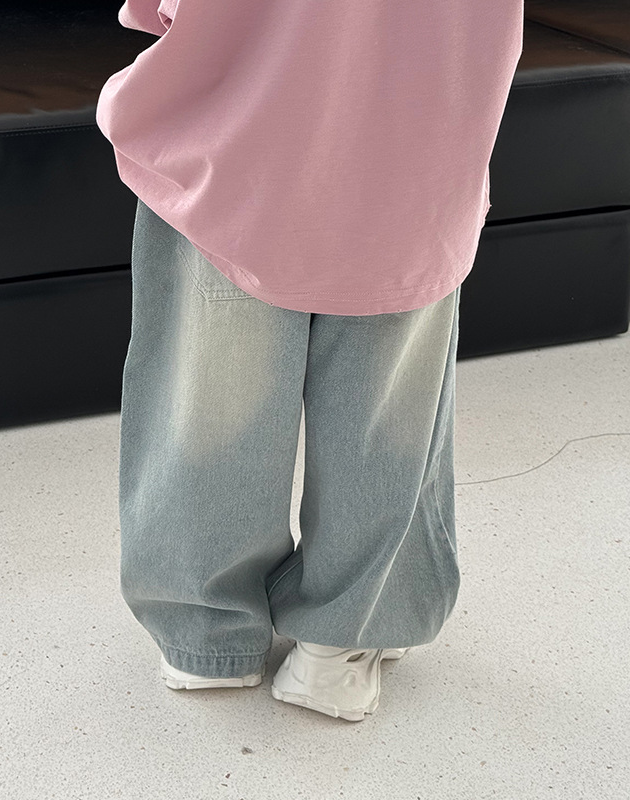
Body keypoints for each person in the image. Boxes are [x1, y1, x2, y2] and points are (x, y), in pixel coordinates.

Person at [96, 0, 524, 722]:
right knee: (385, 410)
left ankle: (204, 635)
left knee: (209, 396)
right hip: (418, 132)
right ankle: (341, 649)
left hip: (241, 136)